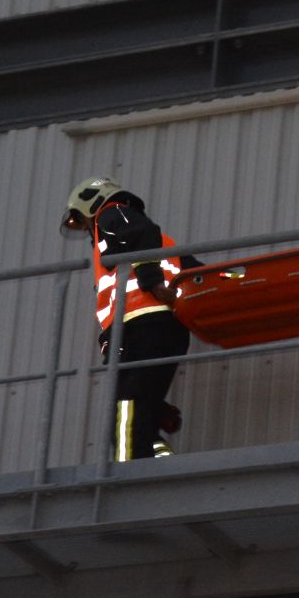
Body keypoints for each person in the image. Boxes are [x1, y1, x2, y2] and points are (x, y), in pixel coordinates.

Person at [61, 176, 200, 460]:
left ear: (91, 203)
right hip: (154, 331)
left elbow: (142, 235)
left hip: (145, 327)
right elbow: (196, 272)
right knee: (136, 412)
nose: (85, 227)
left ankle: (128, 471)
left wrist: (153, 283)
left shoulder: (112, 214)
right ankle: (160, 461)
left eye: (80, 219)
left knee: (126, 410)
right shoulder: (159, 244)